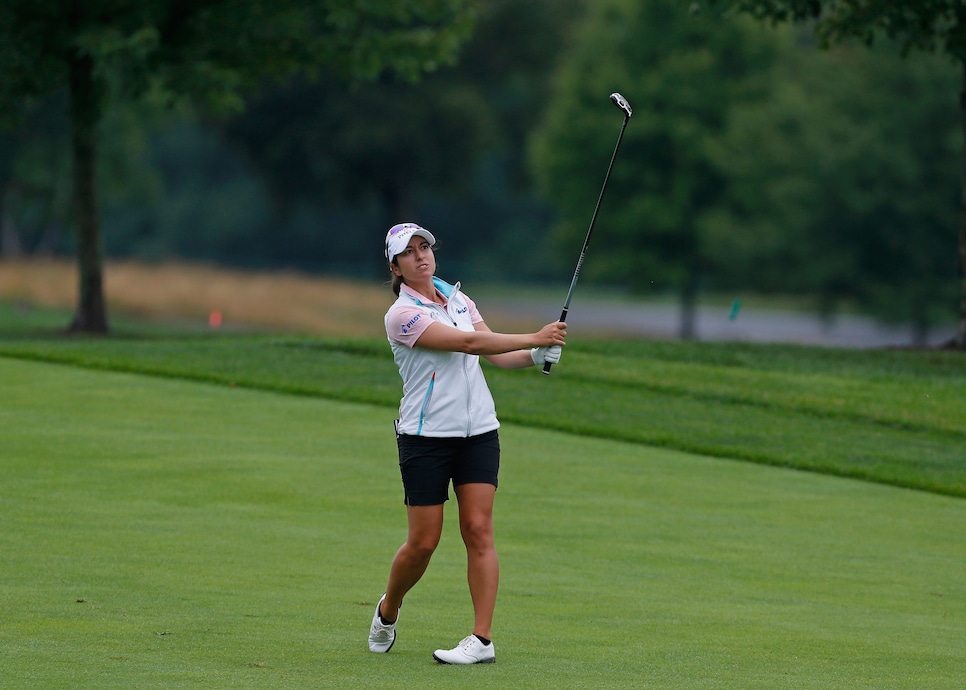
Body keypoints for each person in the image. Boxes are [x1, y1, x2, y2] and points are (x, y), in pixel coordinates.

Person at [368, 222, 567, 664]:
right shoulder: (401, 315)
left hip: (479, 431)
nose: (421, 256)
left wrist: (535, 355)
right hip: (425, 437)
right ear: (396, 266)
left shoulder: (457, 298)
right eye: (409, 252)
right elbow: (468, 342)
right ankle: (388, 608)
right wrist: (534, 336)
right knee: (423, 543)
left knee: (478, 530)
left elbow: (495, 354)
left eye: (425, 247)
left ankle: (481, 640)